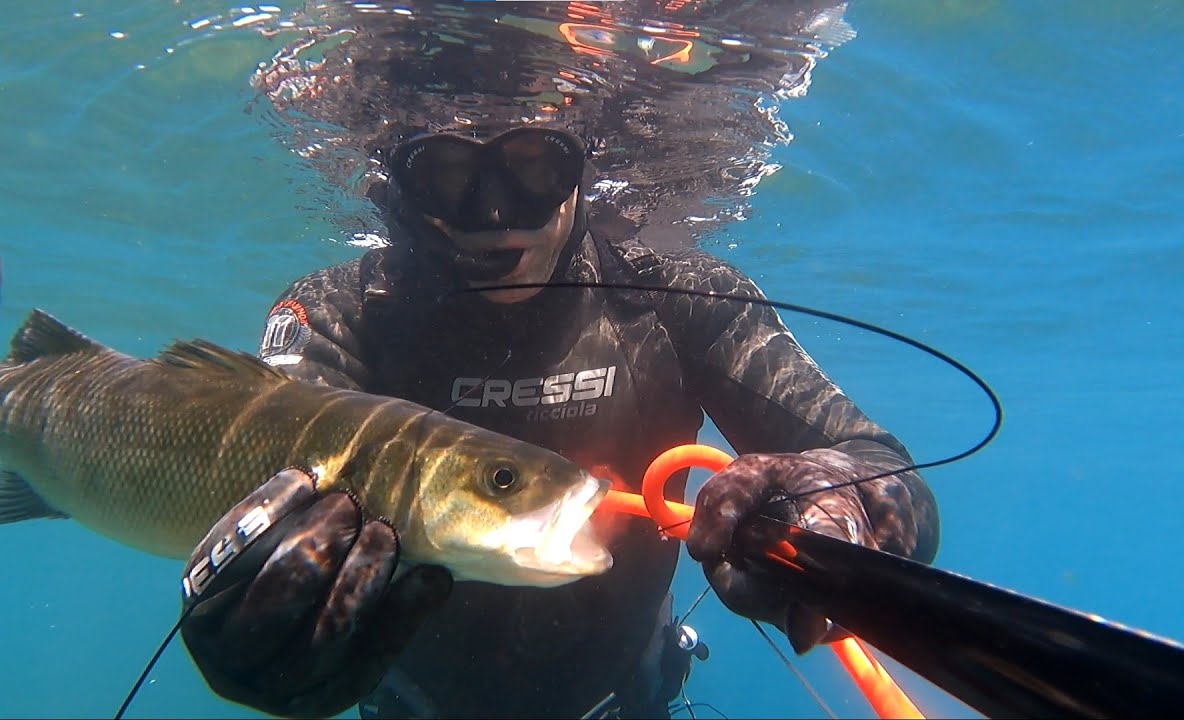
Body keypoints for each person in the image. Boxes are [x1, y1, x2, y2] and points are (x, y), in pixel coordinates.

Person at [179, 125, 940, 719]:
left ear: (581, 175)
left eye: (536, 167)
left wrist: (842, 511)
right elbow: (247, 511)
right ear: (402, 186)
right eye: (446, 174)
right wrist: (255, 635)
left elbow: (877, 464)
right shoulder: (340, 315)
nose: (495, 213)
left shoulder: (678, 295)